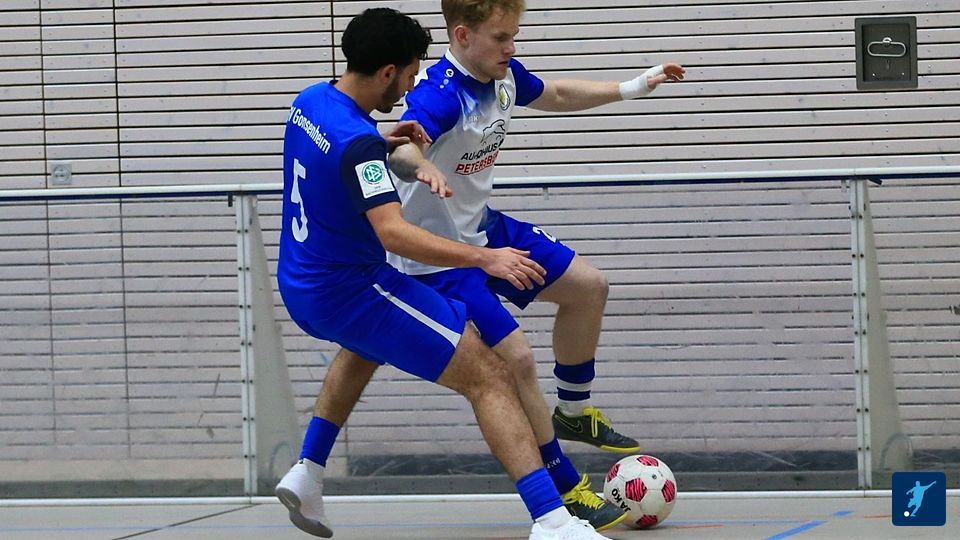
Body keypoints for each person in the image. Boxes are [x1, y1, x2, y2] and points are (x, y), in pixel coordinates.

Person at [308, 0, 685, 529]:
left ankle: (573, 413)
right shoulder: (440, 93)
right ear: (463, 36)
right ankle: (565, 488)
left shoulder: (502, 74)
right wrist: (421, 169)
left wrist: (633, 86)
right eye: (501, 37)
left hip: (483, 226)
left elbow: (556, 93)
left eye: (513, 35)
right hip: (439, 255)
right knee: (518, 361)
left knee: (588, 287)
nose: (512, 47)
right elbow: (402, 146)